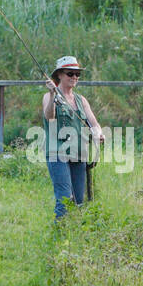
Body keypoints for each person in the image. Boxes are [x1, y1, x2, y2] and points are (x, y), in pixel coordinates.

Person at [42, 55, 104, 219]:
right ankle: (59, 236)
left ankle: (75, 239)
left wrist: (98, 134)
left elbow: (94, 123)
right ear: (60, 75)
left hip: (79, 153)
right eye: (70, 73)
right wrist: (52, 94)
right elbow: (49, 117)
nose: (74, 77)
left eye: (77, 74)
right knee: (64, 199)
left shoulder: (81, 100)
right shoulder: (50, 96)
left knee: (79, 201)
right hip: (57, 153)